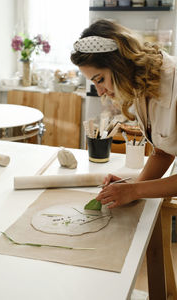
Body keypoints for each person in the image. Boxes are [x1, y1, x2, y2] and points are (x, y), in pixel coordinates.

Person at [70, 19, 177, 209]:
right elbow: (163, 152)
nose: (100, 91)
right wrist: (132, 189)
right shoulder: (139, 86)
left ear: (119, 64)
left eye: (100, 79)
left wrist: (135, 191)